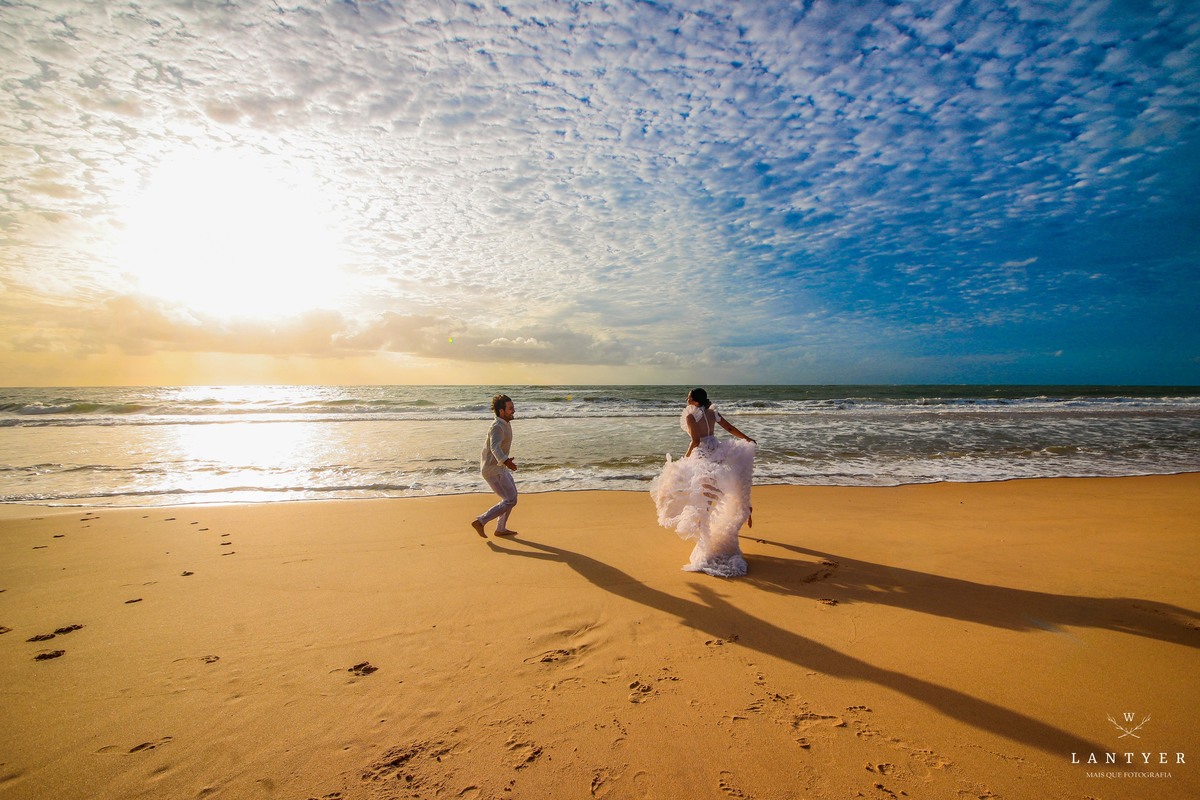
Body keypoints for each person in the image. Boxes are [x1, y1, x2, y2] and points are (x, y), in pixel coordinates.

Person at [650, 388, 756, 577]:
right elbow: (730, 428)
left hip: (702, 457)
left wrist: (684, 458)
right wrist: (746, 438)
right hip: (718, 452)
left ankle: (706, 543)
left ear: (695, 401)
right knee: (721, 489)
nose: (686, 399)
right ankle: (744, 510)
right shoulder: (712, 411)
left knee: (703, 499)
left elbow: (696, 441)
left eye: (689, 397)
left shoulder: (691, 415)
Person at [471, 393, 519, 538]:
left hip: (498, 467)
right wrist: (505, 460)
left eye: (513, 407)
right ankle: (481, 521)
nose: (514, 410)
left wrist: (504, 461)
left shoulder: (504, 424)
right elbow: (495, 447)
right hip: (493, 469)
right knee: (510, 499)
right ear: (501, 411)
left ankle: (500, 529)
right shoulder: (497, 426)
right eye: (510, 408)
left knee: (511, 498)